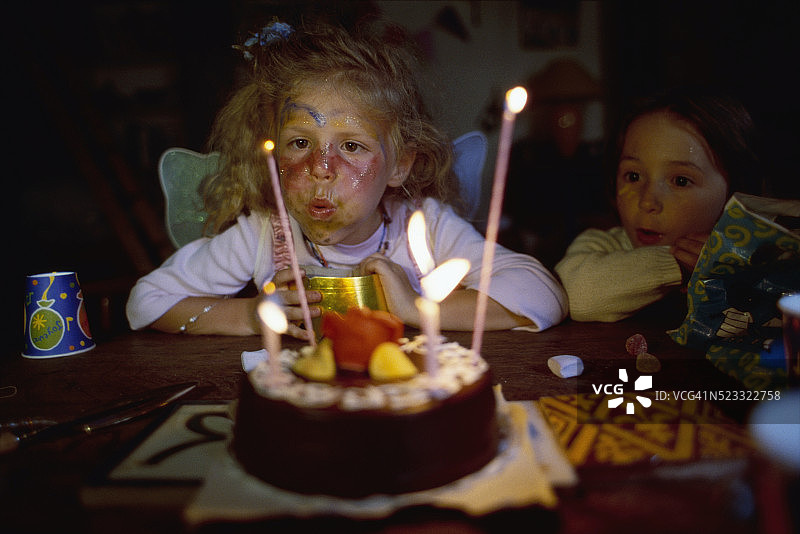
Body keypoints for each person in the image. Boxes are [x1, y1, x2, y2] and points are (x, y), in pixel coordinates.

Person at [126, 19, 567, 340]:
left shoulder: (425, 226)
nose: (320, 167)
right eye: (299, 143)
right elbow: (145, 301)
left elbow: (544, 296)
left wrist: (416, 307)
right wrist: (250, 315)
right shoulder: (265, 233)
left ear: (400, 165)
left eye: (351, 146)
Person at [554, 86, 763, 322]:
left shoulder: (752, 253)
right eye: (633, 176)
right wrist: (678, 264)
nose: (647, 202)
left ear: (733, 194)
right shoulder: (604, 244)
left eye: (681, 181)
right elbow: (577, 295)